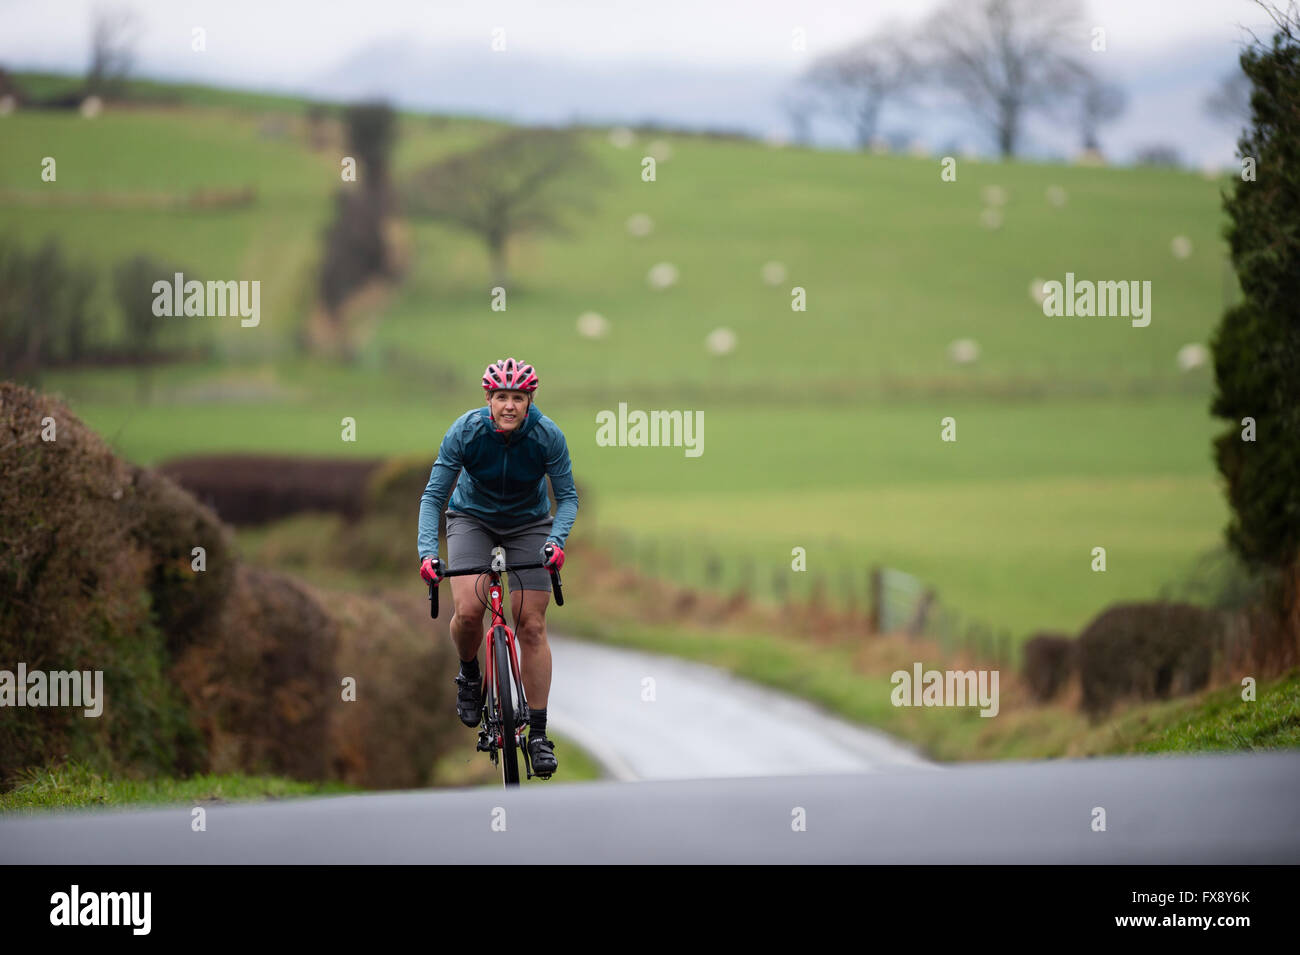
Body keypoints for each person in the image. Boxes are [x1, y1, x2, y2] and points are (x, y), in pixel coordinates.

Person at [417, 358, 577, 777]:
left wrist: (555, 543)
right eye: (501, 397)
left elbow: (568, 499)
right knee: (469, 612)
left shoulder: (547, 437)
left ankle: (538, 734)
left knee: (532, 626)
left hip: (529, 523)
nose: (509, 406)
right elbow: (434, 496)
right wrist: (426, 553)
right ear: (488, 399)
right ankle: (470, 672)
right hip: (471, 518)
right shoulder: (465, 432)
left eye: (518, 398)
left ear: (530, 401)